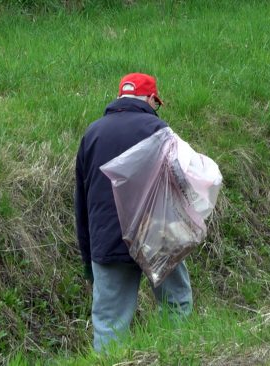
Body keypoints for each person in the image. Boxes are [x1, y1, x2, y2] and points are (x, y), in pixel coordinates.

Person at [74, 73, 193, 352]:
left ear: (120, 97)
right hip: (158, 238)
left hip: (107, 241)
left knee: (108, 323)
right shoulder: (158, 129)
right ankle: (176, 357)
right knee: (176, 304)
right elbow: (181, 186)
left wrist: (88, 261)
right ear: (152, 99)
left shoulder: (92, 134)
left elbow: (82, 203)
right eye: (157, 104)